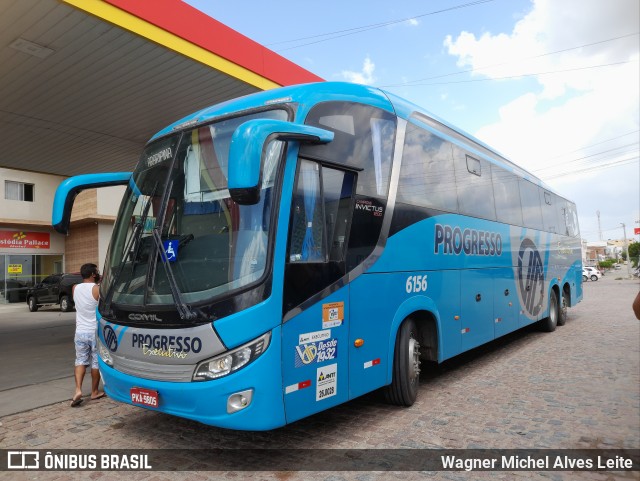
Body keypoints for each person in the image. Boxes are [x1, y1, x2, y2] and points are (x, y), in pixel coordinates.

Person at [70, 263, 105, 407]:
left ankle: (78, 390)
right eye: (96, 272)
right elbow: (102, 305)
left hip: (80, 332)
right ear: (92, 274)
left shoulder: (74, 288)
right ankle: (94, 392)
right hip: (94, 331)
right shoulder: (97, 289)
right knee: (95, 362)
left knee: (80, 360)